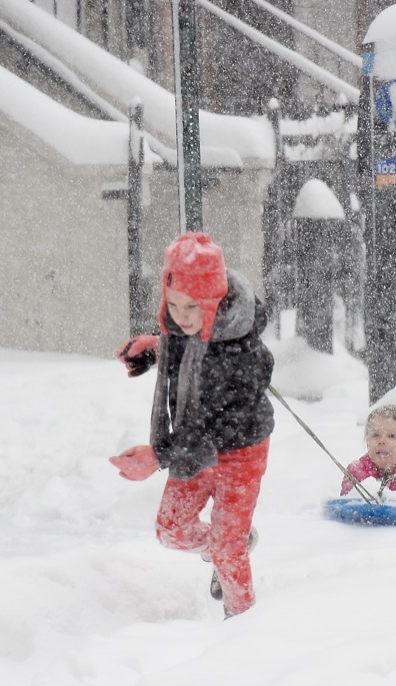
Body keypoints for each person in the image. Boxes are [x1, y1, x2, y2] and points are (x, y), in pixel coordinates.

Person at [110, 232, 275, 618]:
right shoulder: (185, 325)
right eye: (173, 304)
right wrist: (156, 347)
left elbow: (213, 428)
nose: (181, 316)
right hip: (194, 448)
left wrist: (158, 455)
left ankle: (243, 627)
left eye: (192, 307)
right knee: (171, 529)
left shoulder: (242, 354)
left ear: (215, 301)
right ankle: (234, 543)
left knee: (226, 549)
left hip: (240, 452)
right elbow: (188, 348)